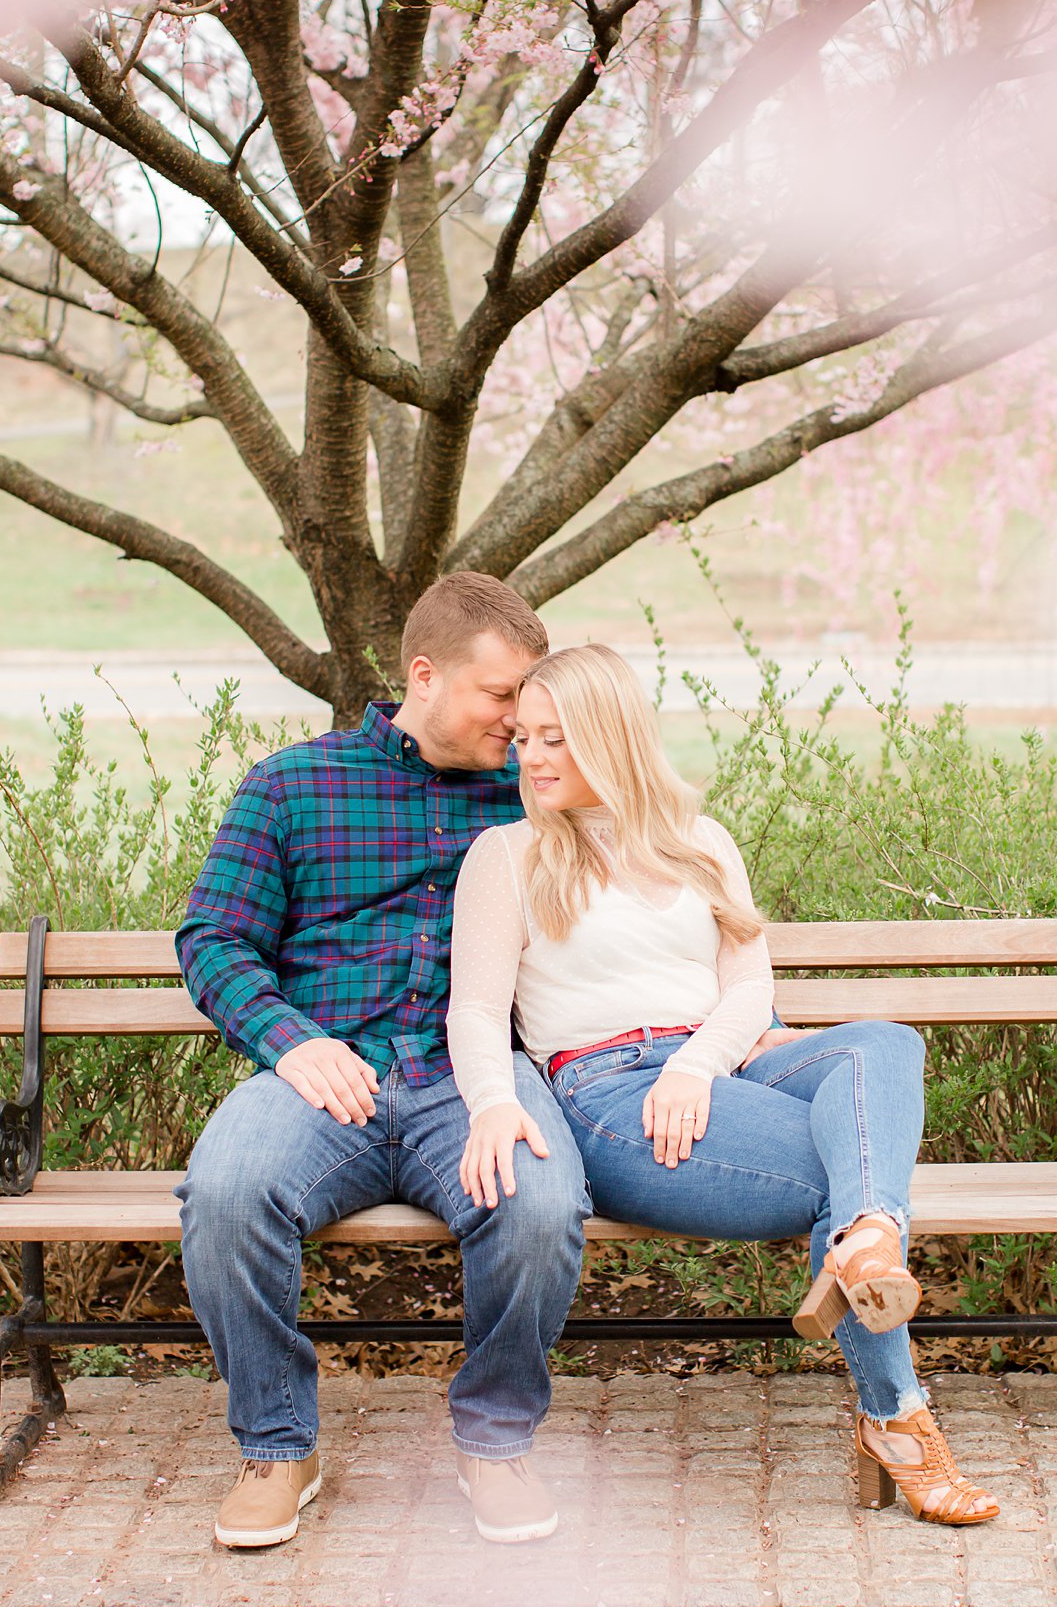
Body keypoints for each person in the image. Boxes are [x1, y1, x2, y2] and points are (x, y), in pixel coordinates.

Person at [447, 643, 998, 1528]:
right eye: (524, 739)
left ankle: (867, 1242)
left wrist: (697, 1061)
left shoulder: (699, 841)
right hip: (609, 1090)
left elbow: (749, 989)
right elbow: (474, 1011)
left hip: (720, 1062)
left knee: (884, 1046)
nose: (532, 757)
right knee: (843, 1179)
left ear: (612, 735)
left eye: (556, 737)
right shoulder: (507, 856)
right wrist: (492, 1101)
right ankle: (897, 1412)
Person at [175, 573, 591, 1552]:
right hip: (329, 1074)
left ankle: (494, 1441)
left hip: (473, 1074)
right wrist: (291, 1041)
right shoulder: (293, 786)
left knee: (538, 1206)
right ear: (424, 674)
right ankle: (278, 1448)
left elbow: (647, 889)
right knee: (226, 1194)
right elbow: (214, 942)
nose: (521, 716)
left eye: (530, 697)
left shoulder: (536, 796)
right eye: (501, 695)